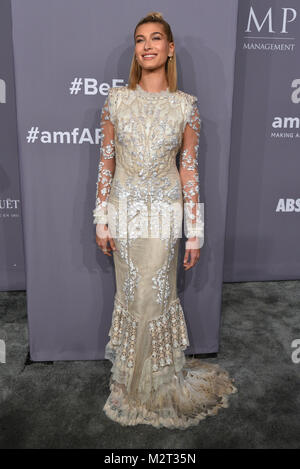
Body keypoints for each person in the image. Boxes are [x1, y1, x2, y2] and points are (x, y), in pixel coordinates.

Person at [93, 11, 237, 429]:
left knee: (154, 296)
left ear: (170, 49)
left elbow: (189, 169)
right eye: (140, 40)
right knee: (131, 296)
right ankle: (129, 385)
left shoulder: (185, 107)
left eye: (156, 38)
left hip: (162, 214)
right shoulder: (116, 100)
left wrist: (195, 230)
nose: (148, 46)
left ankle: (158, 386)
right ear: (135, 51)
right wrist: (102, 218)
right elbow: (106, 161)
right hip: (123, 211)